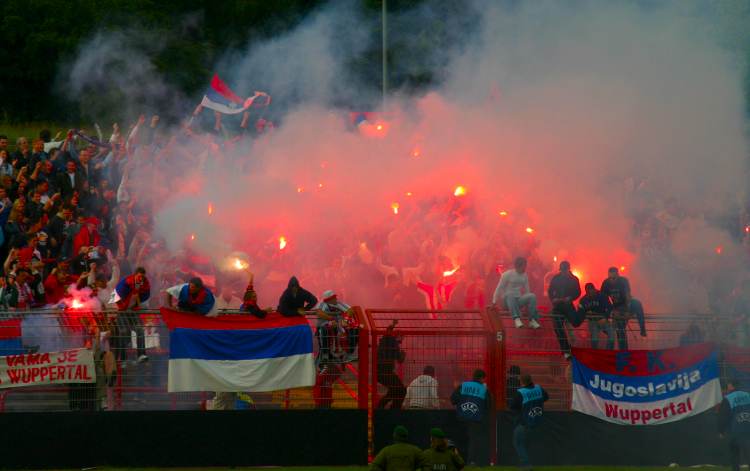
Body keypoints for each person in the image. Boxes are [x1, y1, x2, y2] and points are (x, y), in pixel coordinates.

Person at [451, 369, 492, 466]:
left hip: (461, 418)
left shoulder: (463, 385)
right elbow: (488, 405)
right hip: (476, 419)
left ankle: (458, 460)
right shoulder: (484, 389)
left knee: (460, 440)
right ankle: (471, 461)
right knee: (473, 441)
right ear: (482, 378)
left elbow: (453, 400)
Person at [111, 267, 151, 364]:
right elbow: (114, 295)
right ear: (135, 275)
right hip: (121, 310)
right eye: (139, 276)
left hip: (133, 311)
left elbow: (145, 295)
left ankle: (141, 355)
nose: (141, 279)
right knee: (124, 331)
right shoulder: (126, 282)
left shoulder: (144, 283)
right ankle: (123, 359)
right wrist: (121, 308)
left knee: (140, 329)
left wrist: (137, 302)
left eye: (143, 277)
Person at [600, 267, 646, 349]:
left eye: (614, 278)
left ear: (618, 275)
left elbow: (628, 295)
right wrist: (611, 310)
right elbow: (603, 298)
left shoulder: (623, 281)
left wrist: (627, 311)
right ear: (608, 276)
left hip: (627, 304)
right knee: (620, 328)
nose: (612, 280)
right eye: (610, 278)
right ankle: (623, 350)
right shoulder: (606, 283)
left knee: (637, 304)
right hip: (616, 307)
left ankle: (642, 328)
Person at [510, 373, 549, 471]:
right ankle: (525, 463)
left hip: (525, 422)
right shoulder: (538, 388)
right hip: (538, 420)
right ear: (531, 380)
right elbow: (546, 397)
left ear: (522, 382)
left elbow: (513, 406)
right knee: (526, 443)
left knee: (518, 442)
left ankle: (526, 464)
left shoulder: (521, 392)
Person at [547, 261, 582, 359]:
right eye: (562, 270)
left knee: (575, 322)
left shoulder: (574, 279)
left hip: (568, 305)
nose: (563, 272)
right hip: (558, 307)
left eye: (564, 270)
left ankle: (572, 348)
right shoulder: (556, 278)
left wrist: (570, 298)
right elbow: (550, 291)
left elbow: (578, 292)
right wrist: (553, 299)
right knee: (558, 328)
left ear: (568, 269)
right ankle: (566, 350)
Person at [492, 257, 539, 329]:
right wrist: (494, 301)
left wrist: (527, 304)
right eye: (524, 266)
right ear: (518, 266)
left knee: (532, 296)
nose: (525, 268)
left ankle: (532, 320)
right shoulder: (507, 274)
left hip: (517, 300)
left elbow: (527, 290)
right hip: (506, 301)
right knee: (510, 294)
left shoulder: (525, 275)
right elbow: (499, 288)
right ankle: (516, 318)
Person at [317, 289, 359, 361]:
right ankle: (326, 356)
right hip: (326, 327)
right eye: (334, 297)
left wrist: (345, 320)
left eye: (335, 297)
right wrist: (331, 319)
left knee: (355, 330)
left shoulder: (338, 303)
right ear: (329, 299)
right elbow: (319, 313)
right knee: (325, 330)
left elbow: (350, 310)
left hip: (339, 327)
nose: (336, 298)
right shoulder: (322, 304)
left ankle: (348, 354)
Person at [718, 378, 750, 471]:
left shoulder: (728, 398)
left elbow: (723, 416)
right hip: (748, 429)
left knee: (734, 454)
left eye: (728, 385)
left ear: (731, 385)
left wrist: (721, 431)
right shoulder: (748, 395)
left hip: (735, 431)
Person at [377, 321, 407, 409]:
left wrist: (402, 354)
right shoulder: (389, 341)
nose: (402, 339)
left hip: (384, 372)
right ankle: (393, 408)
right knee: (400, 390)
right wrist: (393, 325)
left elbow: (400, 360)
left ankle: (383, 406)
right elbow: (388, 333)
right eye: (401, 337)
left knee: (396, 390)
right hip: (384, 372)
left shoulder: (392, 344)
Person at [578, 283, 614, 350]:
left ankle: (608, 353)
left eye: (591, 291)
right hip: (593, 321)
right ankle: (595, 354)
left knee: (611, 337)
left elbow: (610, 307)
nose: (590, 293)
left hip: (604, 320)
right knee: (594, 340)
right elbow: (580, 310)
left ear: (594, 289)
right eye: (588, 292)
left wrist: (605, 318)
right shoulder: (583, 300)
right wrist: (586, 313)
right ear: (586, 292)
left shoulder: (602, 296)